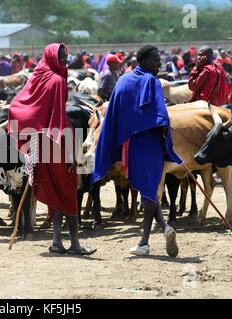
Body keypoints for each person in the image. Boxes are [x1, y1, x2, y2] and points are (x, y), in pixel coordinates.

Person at [91, 45, 181, 257]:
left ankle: (159, 232)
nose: (159, 64)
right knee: (149, 190)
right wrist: (167, 138)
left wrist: (115, 139)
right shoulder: (152, 81)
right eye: (156, 60)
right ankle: (147, 241)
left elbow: (113, 113)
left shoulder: (123, 80)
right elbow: (160, 117)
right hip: (149, 143)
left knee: (146, 189)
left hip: (129, 145)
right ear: (144, 61)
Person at [8, 43, 96, 255]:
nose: (65, 61)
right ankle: (74, 244)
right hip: (57, 141)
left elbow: (15, 106)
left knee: (56, 193)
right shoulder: (57, 81)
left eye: (66, 57)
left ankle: (57, 242)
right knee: (69, 192)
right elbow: (58, 118)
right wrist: (71, 154)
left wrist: (34, 134)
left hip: (40, 143)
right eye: (62, 58)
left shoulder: (38, 76)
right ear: (52, 58)